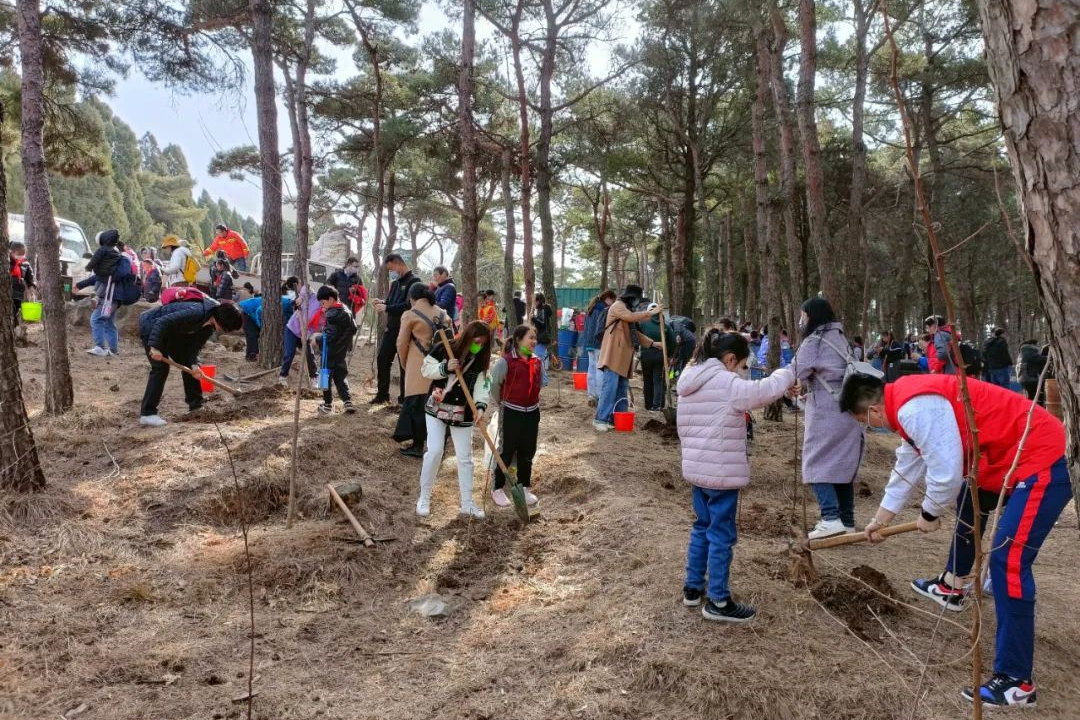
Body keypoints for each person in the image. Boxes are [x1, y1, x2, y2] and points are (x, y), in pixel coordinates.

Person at [842, 373, 1070, 708]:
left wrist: (929, 513)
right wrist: (881, 519)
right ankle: (953, 587)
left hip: (1041, 457)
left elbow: (946, 473)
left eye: (864, 422)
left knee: (1007, 562)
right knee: (969, 501)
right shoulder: (904, 402)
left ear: (874, 411)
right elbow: (907, 465)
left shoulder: (914, 409)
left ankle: (1016, 681)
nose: (869, 427)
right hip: (1003, 458)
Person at [677, 330, 797, 623]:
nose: (743, 372)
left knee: (701, 527)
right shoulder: (726, 382)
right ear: (730, 360)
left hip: (698, 470)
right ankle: (718, 600)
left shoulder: (691, 377)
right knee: (721, 535)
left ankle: (693, 588)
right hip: (721, 474)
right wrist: (788, 373)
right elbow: (762, 391)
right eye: (743, 366)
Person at [791, 298, 865, 539]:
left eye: (803, 315)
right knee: (841, 466)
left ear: (811, 315)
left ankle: (830, 518)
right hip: (849, 409)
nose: (801, 320)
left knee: (815, 463)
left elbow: (795, 370)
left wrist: (783, 385)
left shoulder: (815, 341)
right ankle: (847, 521)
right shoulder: (841, 338)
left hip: (826, 412)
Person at [416, 320, 492, 519]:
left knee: (465, 458)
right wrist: (444, 367)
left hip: (462, 412)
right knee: (434, 451)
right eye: (476, 341)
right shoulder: (444, 348)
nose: (479, 346)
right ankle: (424, 497)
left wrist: (480, 407)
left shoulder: (481, 360)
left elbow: (482, 386)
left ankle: (467, 503)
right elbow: (425, 369)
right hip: (437, 407)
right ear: (468, 336)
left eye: (483, 343)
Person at [137, 299, 243, 426]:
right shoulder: (196, 312)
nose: (226, 331)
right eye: (228, 328)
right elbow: (163, 322)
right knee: (161, 368)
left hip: (172, 333)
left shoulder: (209, 326)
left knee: (191, 367)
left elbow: (195, 346)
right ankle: (147, 414)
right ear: (223, 321)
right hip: (152, 326)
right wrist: (154, 346)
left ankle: (196, 406)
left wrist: (194, 364)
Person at [487, 325, 543, 508]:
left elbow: (540, 383)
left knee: (528, 450)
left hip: (532, 412)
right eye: (530, 337)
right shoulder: (505, 362)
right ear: (518, 340)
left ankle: (524, 487)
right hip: (511, 411)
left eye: (535, 338)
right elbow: (494, 385)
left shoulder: (537, 361)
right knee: (507, 449)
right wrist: (502, 402)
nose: (534, 341)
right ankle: (498, 488)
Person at [594, 284, 661, 432]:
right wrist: (649, 313)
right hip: (613, 356)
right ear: (631, 298)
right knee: (610, 388)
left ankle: (617, 419)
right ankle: (600, 419)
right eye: (636, 299)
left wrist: (653, 344)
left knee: (621, 389)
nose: (637, 302)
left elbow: (635, 333)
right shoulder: (618, 306)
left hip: (624, 358)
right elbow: (630, 317)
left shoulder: (628, 311)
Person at [394, 283, 449, 458]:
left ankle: (418, 446)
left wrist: (405, 363)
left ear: (412, 297)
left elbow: (401, 343)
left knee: (416, 404)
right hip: (439, 365)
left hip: (418, 363)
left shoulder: (410, 314)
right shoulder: (442, 313)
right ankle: (439, 445)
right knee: (437, 403)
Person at [372, 253, 422, 405]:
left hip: (406, 330)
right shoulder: (395, 284)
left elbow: (409, 305)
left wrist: (387, 308)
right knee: (382, 358)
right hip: (391, 328)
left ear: (397, 263)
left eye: (391, 268)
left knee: (404, 364)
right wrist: (382, 303)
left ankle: (404, 399)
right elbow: (390, 302)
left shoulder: (414, 282)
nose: (391, 272)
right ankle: (382, 395)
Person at [310, 286, 357, 415]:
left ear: (331, 299)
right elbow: (353, 328)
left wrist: (317, 338)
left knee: (325, 377)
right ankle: (347, 401)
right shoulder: (346, 310)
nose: (322, 305)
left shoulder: (332, 314)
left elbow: (330, 336)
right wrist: (343, 342)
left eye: (323, 302)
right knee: (340, 376)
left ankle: (327, 405)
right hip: (340, 352)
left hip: (329, 353)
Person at [79, 229, 125, 357]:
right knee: (109, 322)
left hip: (109, 295)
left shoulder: (104, 252)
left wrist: (88, 268)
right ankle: (113, 350)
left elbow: (96, 271)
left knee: (96, 319)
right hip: (115, 295)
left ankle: (100, 347)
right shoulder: (118, 255)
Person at [278, 279, 320, 388]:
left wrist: (306, 335)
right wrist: (301, 297)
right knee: (289, 353)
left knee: (309, 354)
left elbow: (316, 327)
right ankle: (283, 377)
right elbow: (306, 287)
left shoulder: (323, 312)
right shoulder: (313, 297)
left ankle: (314, 378)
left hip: (304, 334)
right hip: (292, 330)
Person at [639, 303, 676, 412]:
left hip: (646, 355)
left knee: (647, 380)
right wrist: (669, 355)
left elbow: (637, 336)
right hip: (660, 356)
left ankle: (648, 405)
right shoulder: (665, 325)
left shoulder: (643, 324)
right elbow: (673, 342)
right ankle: (657, 405)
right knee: (658, 381)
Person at [582, 289, 617, 404]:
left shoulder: (591, 308)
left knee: (591, 368)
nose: (613, 304)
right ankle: (601, 396)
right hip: (598, 343)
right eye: (613, 301)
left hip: (588, 343)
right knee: (600, 369)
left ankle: (591, 395)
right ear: (608, 298)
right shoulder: (604, 309)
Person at [530, 293, 555, 386]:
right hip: (541, 337)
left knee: (538, 359)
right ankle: (542, 379)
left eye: (534, 301)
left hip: (543, 337)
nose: (533, 303)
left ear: (538, 301)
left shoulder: (543, 309)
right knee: (538, 358)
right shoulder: (541, 309)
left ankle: (544, 380)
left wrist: (533, 319)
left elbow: (543, 324)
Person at [9, 241, 35, 324]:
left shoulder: (25, 263)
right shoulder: (7, 262)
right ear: (11, 252)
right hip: (7, 291)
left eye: (23, 254)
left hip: (19, 292)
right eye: (18, 254)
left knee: (16, 310)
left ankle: (14, 326)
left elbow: (30, 276)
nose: (21, 256)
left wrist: (31, 286)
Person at [1015, 339, 1045, 403]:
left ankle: (1030, 406)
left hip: (1023, 379)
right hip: (1030, 379)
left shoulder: (1022, 353)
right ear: (1032, 344)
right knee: (1036, 395)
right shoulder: (1029, 352)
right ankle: (1036, 407)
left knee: (1030, 396)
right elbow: (1041, 359)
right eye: (1036, 344)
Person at [238, 294, 263, 362]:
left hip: (251, 309)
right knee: (252, 334)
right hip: (249, 310)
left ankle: (251, 355)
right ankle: (252, 356)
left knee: (252, 334)